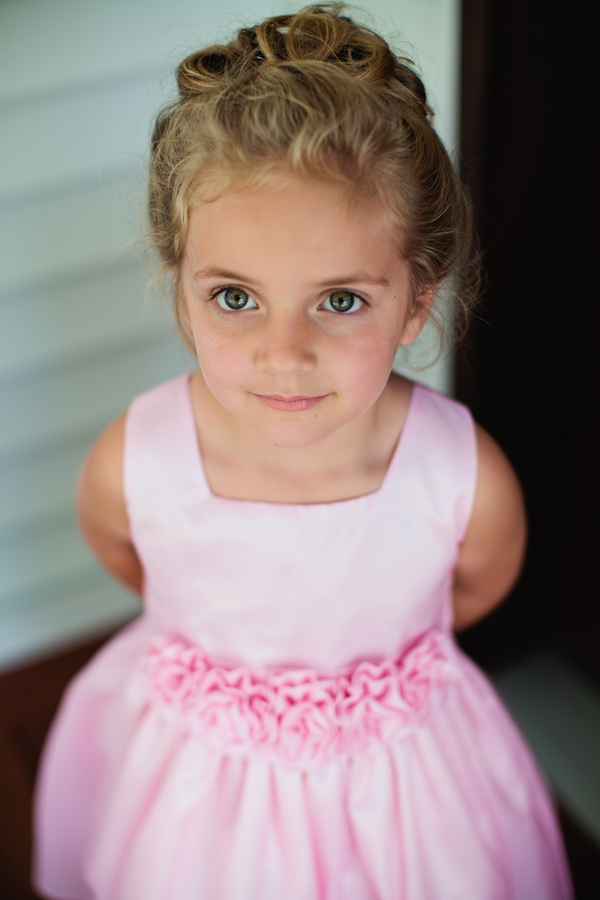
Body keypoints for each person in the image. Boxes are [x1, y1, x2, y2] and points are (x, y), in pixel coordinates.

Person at [33, 5, 573, 898]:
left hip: (402, 795)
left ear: (414, 301)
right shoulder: (141, 455)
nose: (284, 354)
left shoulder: (457, 473)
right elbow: (134, 555)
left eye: (342, 301)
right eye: (236, 298)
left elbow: (470, 587)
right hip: (195, 788)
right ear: (181, 286)